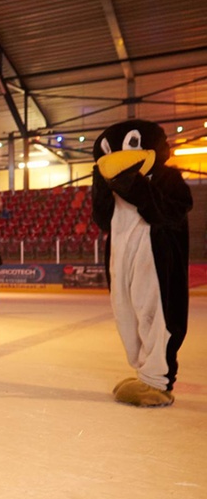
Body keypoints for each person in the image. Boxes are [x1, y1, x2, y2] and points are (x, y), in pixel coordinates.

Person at [91, 119, 193, 407]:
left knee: (154, 311)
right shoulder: (112, 185)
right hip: (120, 254)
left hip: (154, 254)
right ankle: (144, 371)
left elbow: (172, 210)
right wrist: (101, 185)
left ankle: (158, 381)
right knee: (125, 310)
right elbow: (102, 219)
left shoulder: (167, 178)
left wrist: (133, 186)